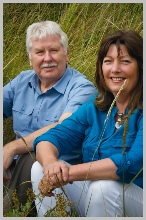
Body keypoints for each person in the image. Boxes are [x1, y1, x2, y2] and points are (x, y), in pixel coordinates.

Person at [31, 29, 143, 217]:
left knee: (103, 187)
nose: (115, 69)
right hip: (96, 197)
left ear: (140, 66)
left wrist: (69, 173)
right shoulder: (96, 106)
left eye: (125, 61)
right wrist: (51, 165)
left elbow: (132, 162)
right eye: (108, 61)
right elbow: (49, 138)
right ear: (101, 68)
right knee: (39, 167)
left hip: (138, 199)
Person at [3, 20, 96, 213]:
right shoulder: (22, 81)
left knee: (33, 156)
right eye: (39, 52)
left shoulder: (82, 88)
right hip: (11, 168)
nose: (47, 58)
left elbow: (63, 127)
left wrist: (11, 147)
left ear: (67, 54)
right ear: (30, 58)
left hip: (55, 174)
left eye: (54, 50)